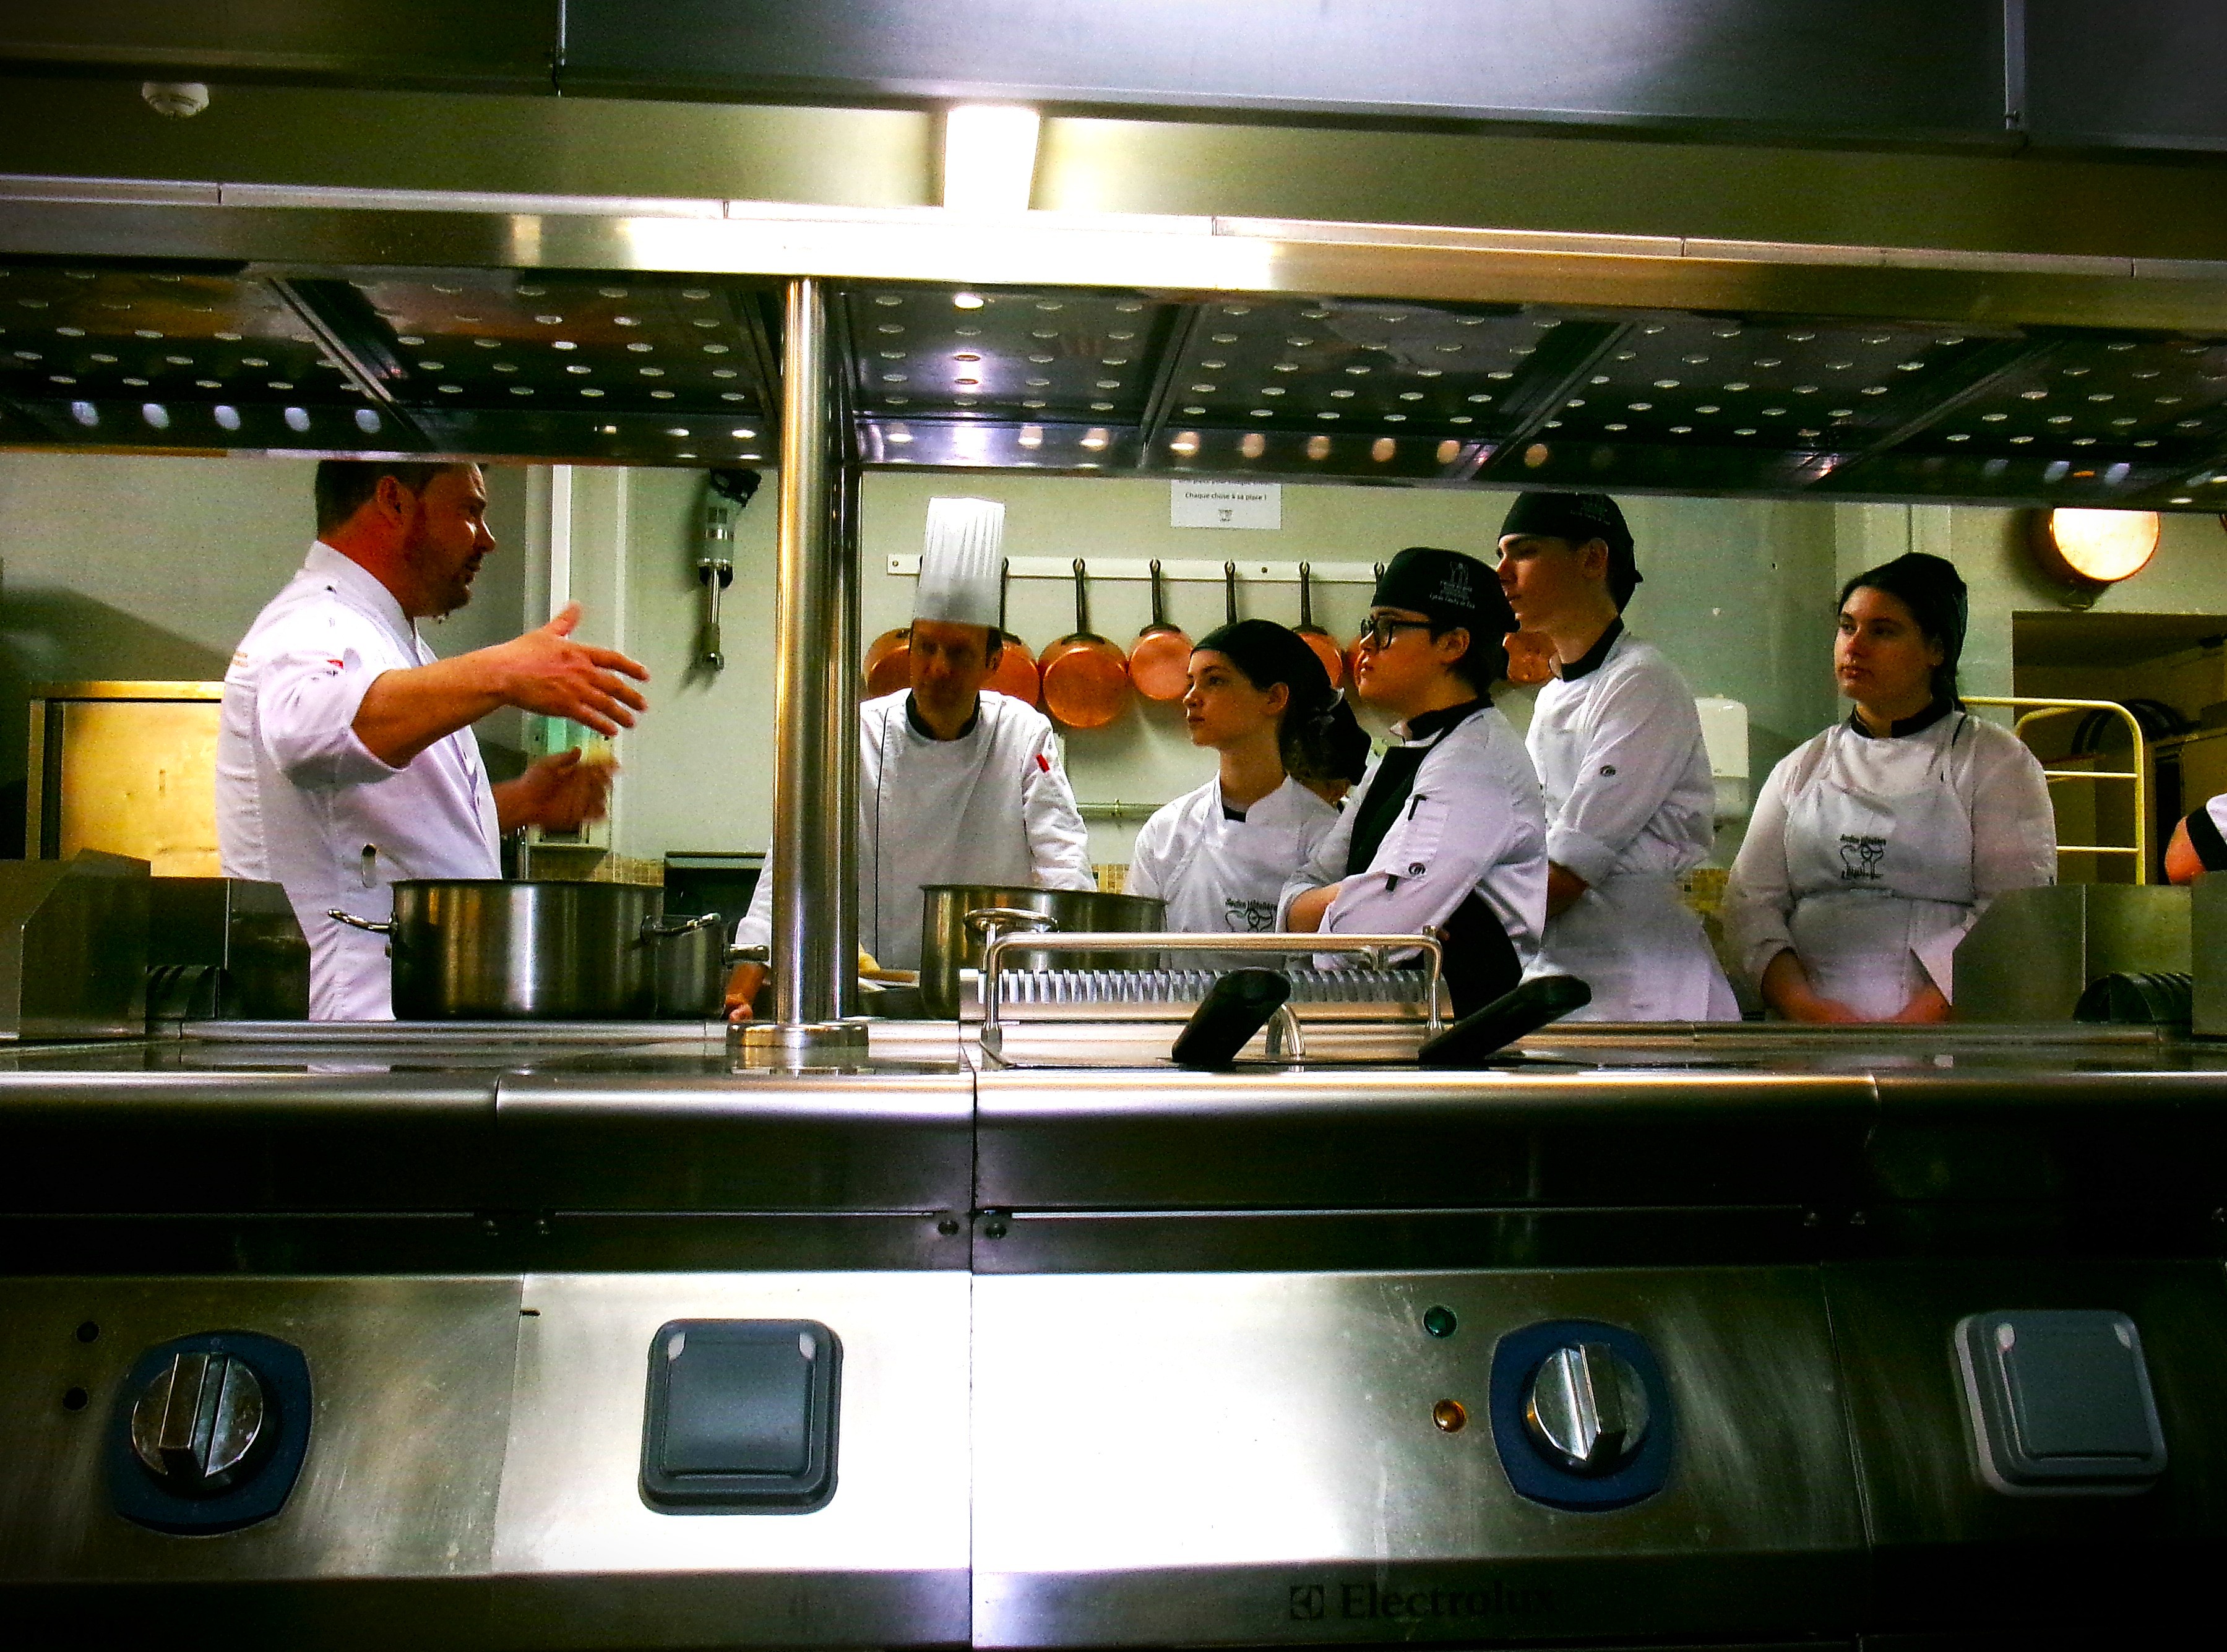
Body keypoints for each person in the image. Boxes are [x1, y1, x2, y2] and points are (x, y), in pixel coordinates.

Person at [218, 460, 651, 1020]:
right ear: (394, 501)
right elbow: (306, 735)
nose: (487, 541)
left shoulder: (391, 639)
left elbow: (380, 832)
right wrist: (501, 672)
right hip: (352, 1031)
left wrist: (516, 803)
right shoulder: (316, 621)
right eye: (470, 511)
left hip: (401, 1024)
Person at [730, 497, 1091, 1013]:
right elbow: (791, 862)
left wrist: (1067, 985)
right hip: (871, 994)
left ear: (992, 661)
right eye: (926, 648)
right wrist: (743, 986)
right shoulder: (853, 735)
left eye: (959, 652)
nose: (938, 669)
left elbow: (1063, 864)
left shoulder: (1023, 734)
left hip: (990, 995)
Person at [1725, 552, 2055, 1023]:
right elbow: (1749, 905)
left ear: (1936, 650)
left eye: (1882, 631)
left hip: (1942, 1042)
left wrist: (1911, 1028)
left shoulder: (1994, 762)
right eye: (1847, 627)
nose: (1854, 646)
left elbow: (2012, 913)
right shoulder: (1799, 768)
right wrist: (1804, 1007)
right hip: (1808, 1040)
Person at [1496, 491, 1736, 1022]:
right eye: (1501, 555)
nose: (1502, 573)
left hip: (1647, 995)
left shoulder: (1642, 682)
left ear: (1591, 559)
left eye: (1525, 552)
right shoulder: (1553, 697)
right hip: (1570, 985)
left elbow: (1566, 870)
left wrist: (1451, 927)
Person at [1278, 546, 1548, 1016]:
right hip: (1397, 1017)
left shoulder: (1473, 766)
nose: (1365, 645)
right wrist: (1361, 899)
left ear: (1453, 644)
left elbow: (1367, 933)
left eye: (1388, 627)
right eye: (1369, 626)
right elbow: (1301, 892)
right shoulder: (1409, 751)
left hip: (1453, 1030)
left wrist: (1348, 908)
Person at [1126, 621, 1350, 962]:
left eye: (1215, 680)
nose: (1190, 697)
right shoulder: (1167, 832)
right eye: (1191, 682)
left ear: (1274, 698)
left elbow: (1338, 966)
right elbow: (1135, 962)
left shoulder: (1325, 834)